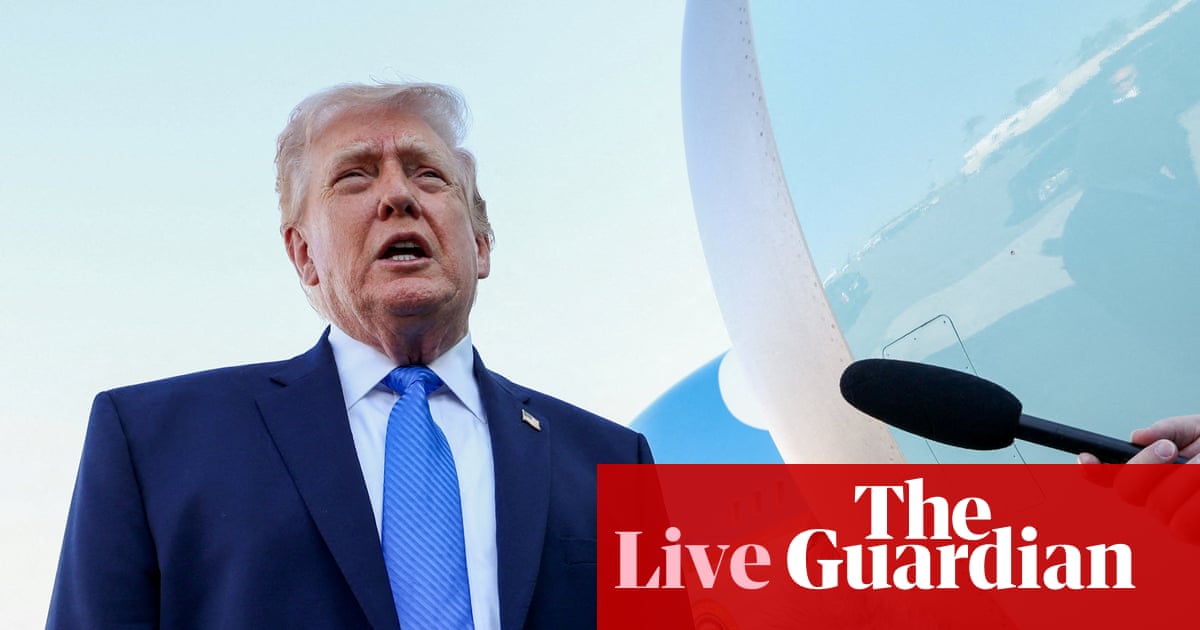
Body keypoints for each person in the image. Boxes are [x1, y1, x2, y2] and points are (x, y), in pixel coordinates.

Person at [48, 81, 653, 629]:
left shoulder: (618, 460)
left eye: (428, 175)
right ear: (303, 255)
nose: (398, 195)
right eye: (355, 178)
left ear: (481, 245)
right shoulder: (150, 441)